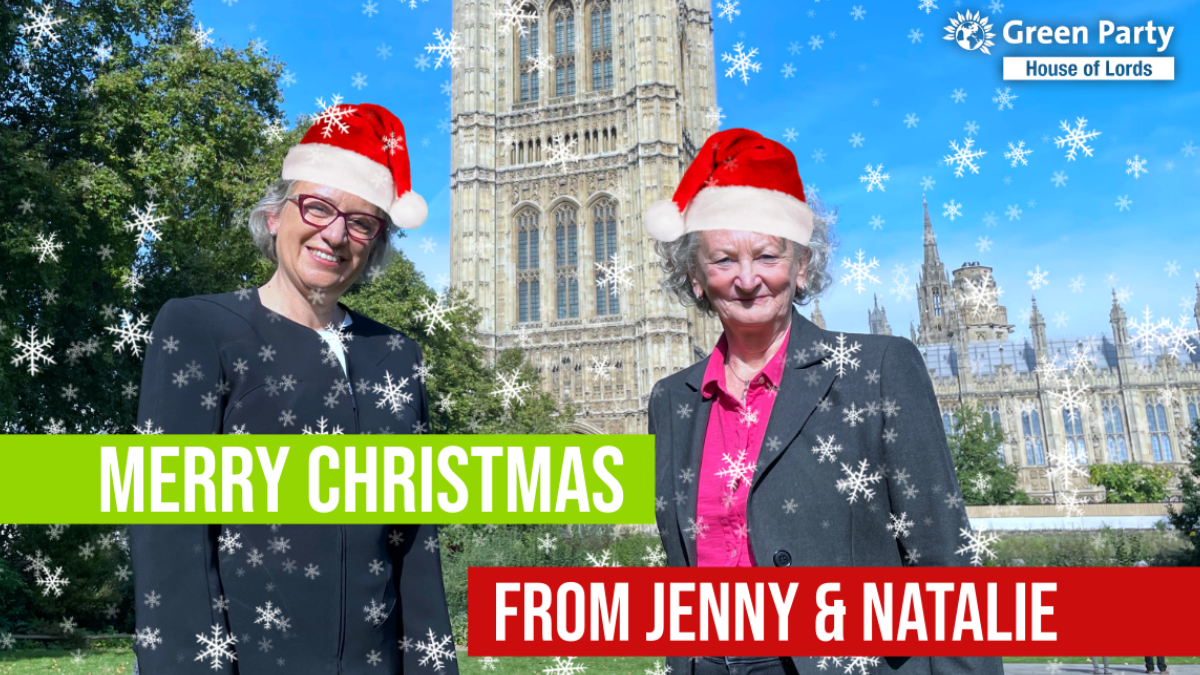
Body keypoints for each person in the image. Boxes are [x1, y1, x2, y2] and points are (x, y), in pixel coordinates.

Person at [644, 128, 1004, 675]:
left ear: (802, 266)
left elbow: (946, 560)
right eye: (722, 260)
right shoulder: (672, 400)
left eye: (768, 255)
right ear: (695, 277)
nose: (747, 279)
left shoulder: (876, 370)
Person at [128, 103, 456, 674]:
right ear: (277, 214)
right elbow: (169, 537)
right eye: (318, 207)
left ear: (375, 242)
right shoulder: (200, 328)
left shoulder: (397, 356)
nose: (336, 234)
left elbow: (415, 548)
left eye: (361, 222)